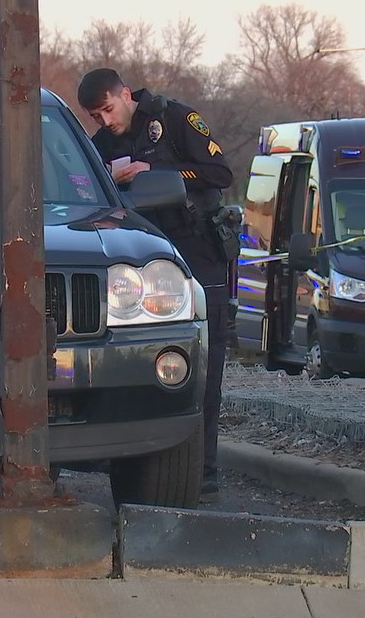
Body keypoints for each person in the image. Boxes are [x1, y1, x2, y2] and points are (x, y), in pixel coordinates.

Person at [78, 67, 235, 498]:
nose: (106, 122)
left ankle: (203, 470)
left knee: (205, 362)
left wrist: (154, 169)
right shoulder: (102, 144)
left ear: (125, 94)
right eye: (96, 116)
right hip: (142, 260)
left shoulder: (175, 120)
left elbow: (219, 173)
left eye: (108, 110)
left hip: (198, 249)